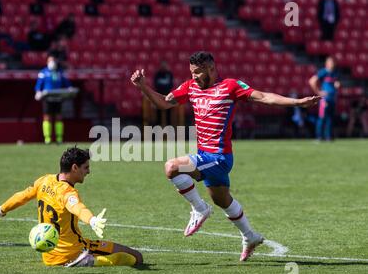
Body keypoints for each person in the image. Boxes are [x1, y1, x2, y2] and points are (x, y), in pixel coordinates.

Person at [130, 51, 320, 261]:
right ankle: (250, 236)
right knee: (222, 200)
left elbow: (264, 97)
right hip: (204, 155)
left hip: (219, 157)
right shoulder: (190, 87)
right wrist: (143, 87)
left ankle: (200, 209)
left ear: (211, 69)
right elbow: (164, 103)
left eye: (198, 72)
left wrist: (297, 103)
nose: (193, 76)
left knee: (172, 167)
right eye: (191, 72)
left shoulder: (230, 86)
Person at [0, 147, 143, 267]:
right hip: (75, 251)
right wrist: (91, 220)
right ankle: (88, 261)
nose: (88, 172)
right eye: (86, 168)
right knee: (137, 257)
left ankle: (87, 261)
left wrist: (0, 210)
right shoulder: (68, 192)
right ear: (74, 167)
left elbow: (22, 196)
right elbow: (77, 207)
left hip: (49, 256)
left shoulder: (44, 181)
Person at [35, 55, 72, 144]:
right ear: (47, 62)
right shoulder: (43, 72)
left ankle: (59, 138)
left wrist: (69, 88)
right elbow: (39, 84)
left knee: (58, 117)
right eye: (51, 61)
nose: (52, 62)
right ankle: (47, 138)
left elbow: (67, 83)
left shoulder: (59, 72)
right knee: (47, 117)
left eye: (54, 61)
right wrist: (38, 91)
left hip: (58, 98)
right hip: (48, 98)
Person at [309, 56, 341, 141]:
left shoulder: (335, 73)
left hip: (332, 98)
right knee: (322, 117)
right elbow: (312, 81)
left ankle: (328, 137)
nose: (332, 64)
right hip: (325, 99)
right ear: (326, 63)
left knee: (330, 118)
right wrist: (318, 92)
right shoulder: (323, 72)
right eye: (330, 62)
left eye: (333, 62)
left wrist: (337, 85)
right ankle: (319, 137)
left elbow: (336, 84)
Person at [153, 60, 174, 126]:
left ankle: (169, 127)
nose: (164, 67)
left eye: (165, 65)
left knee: (168, 113)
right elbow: (155, 85)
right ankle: (157, 128)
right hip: (159, 96)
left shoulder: (169, 74)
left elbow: (171, 85)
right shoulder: (157, 74)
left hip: (168, 96)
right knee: (158, 113)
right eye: (162, 65)